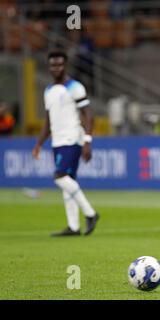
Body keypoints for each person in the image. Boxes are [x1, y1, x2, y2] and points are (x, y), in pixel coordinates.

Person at [32, 50, 100, 236]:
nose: (56, 68)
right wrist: (39, 144)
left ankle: (91, 213)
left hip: (72, 138)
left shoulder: (75, 87)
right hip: (57, 140)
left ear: (65, 65)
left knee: (60, 176)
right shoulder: (49, 91)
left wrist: (87, 141)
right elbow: (48, 121)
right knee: (68, 181)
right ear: (49, 66)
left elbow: (88, 115)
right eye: (53, 65)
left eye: (59, 65)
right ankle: (74, 226)